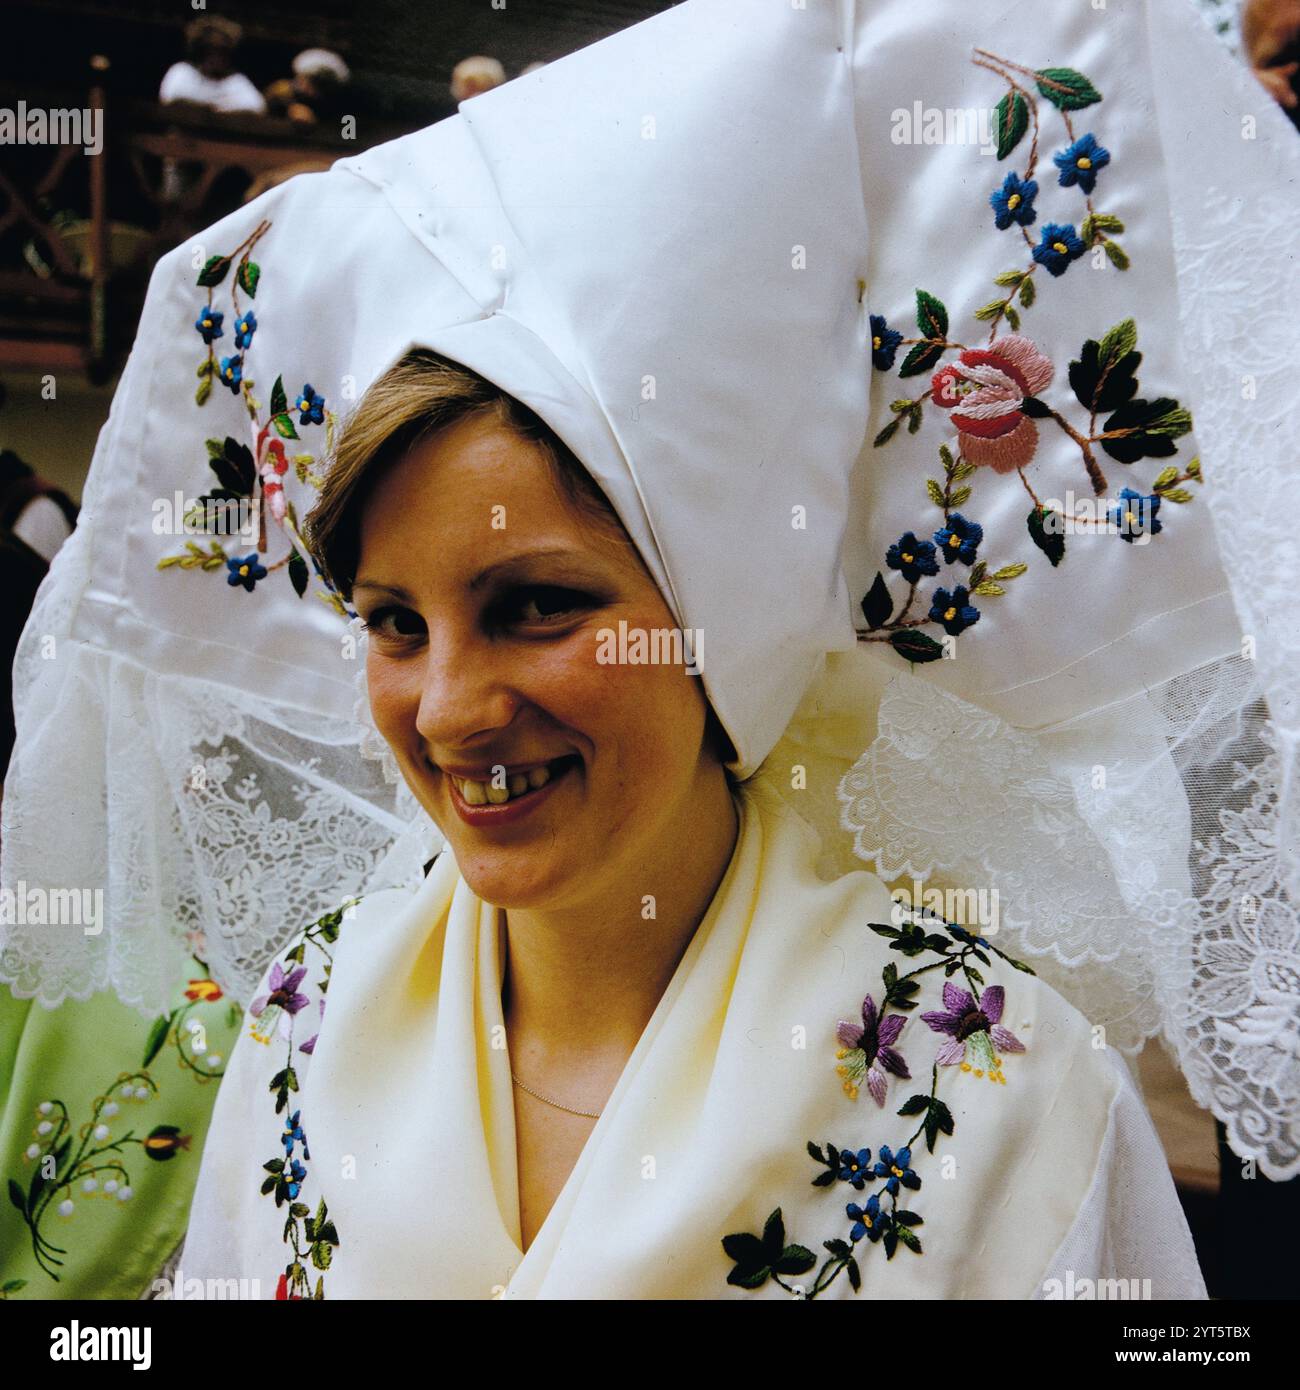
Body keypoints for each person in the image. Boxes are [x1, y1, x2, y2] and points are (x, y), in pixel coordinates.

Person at [3, 0, 1296, 1300]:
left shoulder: (994, 1080)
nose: (447, 710)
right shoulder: (308, 1020)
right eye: (396, 621)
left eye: (535, 607)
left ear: (717, 626)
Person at [158, 16, 267, 117]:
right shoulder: (182, 71)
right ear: (200, 49)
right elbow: (172, 98)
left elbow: (257, 107)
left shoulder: (237, 81)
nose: (217, 56)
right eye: (211, 49)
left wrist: (218, 112)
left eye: (222, 50)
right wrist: (207, 109)